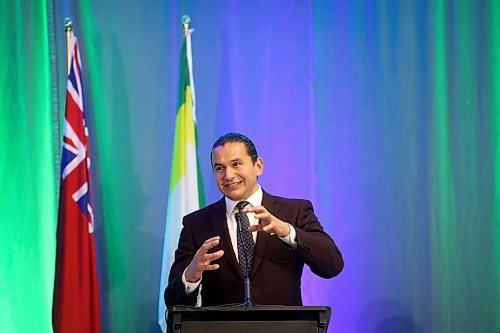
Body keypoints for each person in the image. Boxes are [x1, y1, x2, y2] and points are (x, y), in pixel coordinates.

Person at [164, 132, 343, 307]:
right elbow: (173, 302)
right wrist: (191, 275)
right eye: (219, 168)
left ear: (258, 165)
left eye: (236, 164)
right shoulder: (196, 224)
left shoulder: (294, 211)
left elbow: (332, 265)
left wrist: (288, 232)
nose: (228, 175)